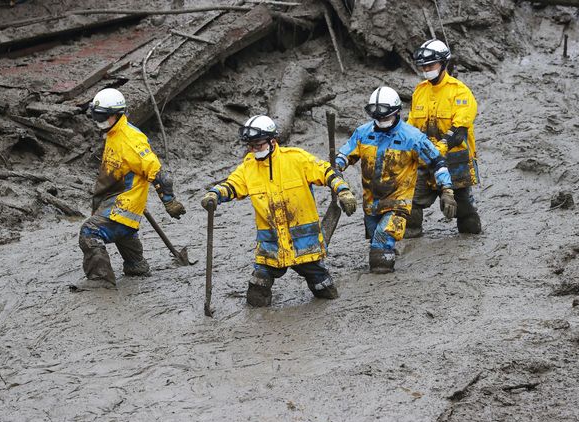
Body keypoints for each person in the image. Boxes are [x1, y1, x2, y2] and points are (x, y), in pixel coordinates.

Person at [200, 115, 357, 307]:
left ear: (272, 141)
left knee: (323, 290)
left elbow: (327, 172)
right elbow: (231, 185)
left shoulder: (296, 159)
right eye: (251, 146)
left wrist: (343, 191)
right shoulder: (248, 167)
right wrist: (214, 194)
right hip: (271, 246)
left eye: (258, 145)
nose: (254, 150)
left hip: (304, 245)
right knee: (257, 293)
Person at [73, 88, 186, 290]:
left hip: (122, 203)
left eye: (104, 117)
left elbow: (158, 173)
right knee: (124, 232)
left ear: (117, 114)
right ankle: (136, 266)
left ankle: (100, 280)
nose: (99, 121)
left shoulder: (132, 140)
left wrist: (169, 201)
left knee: (90, 231)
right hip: (114, 198)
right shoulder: (113, 131)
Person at [335, 86, 455, 273]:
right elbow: (345, 155)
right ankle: (386, 253)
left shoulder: (412, 137)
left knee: (380, 251)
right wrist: (336, 168)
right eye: (378, 117)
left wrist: (447, 190)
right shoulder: (363, 133)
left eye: (386, 117)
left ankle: (381, 288)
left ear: (397, 112)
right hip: (371, 203)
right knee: (376, 239)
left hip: (398, 203)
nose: (382, 121)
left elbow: (437, 162)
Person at [405, 38, 481, 237]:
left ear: (443, 63)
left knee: (465, 212)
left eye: (431, 64)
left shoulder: (460, 91)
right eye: (424, 66)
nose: (427, 69)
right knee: (411, 201)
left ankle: (470, 242)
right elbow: (410, 128)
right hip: (424, 161)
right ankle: (411, 239)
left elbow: (459, 131)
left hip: (455, 161)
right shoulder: (419, 92)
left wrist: (439, 149)